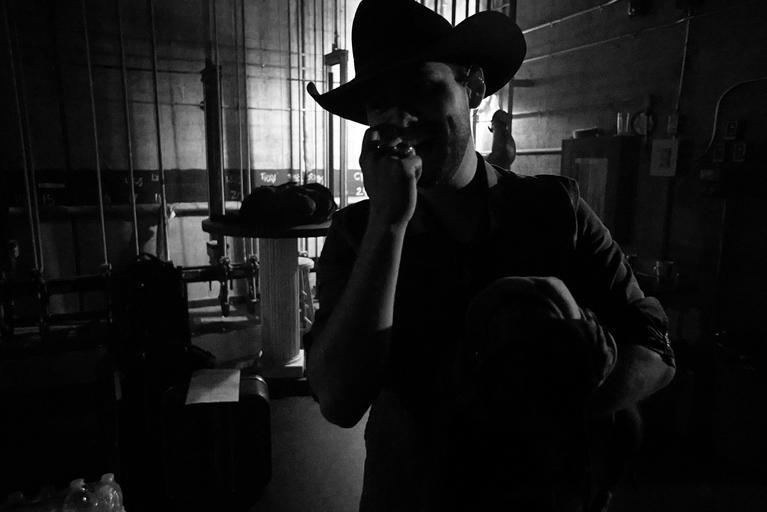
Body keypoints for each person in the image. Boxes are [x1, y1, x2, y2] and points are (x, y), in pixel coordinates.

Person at [305, 1, 676, 510]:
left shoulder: (555, 210)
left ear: (474, 88)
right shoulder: (356, 233)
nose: (401, 119)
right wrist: (388, 225)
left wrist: (559, 407)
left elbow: (655, 348)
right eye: (380, 104)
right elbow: (339, 400)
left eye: (422, 88)